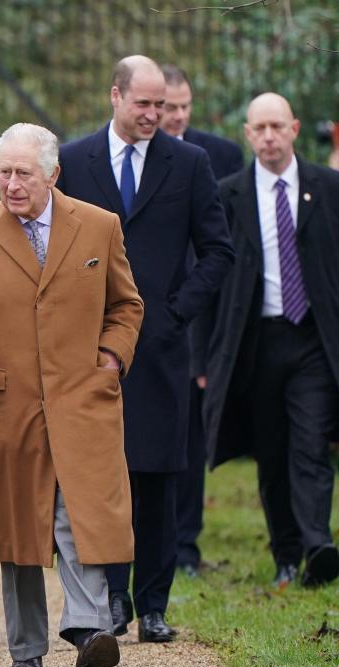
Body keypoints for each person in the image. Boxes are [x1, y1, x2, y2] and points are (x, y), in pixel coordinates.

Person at [0, 122, 143, 667]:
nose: (12, 184)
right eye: (4, 172)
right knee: (19, 530)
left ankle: (89, 632)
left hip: (83, 400)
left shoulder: (99, 227)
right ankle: (26, 651)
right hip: (7, 405)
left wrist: (110, 359)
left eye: (24, 172)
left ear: (53, 173)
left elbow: (126, 307)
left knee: (82, 516)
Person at [56, 55, 234, 642]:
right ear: (116, 96)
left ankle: (153, 604)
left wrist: (177, 312)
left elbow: (218, 252)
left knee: (157, 477)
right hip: (90, 350)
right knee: (103, 478)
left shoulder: (189, 163)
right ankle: (111, 599)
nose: (155, 115)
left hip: (159, 349)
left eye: (162, 105)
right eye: (145, 104)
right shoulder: (75, 161)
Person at [202, 93, 339, 589]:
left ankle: (317, 545)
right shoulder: (228, 195)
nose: (268, 137)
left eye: (276, 126)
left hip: (313, 342)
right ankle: (286, 552)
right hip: (255, 343)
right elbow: (210, 276)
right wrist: (205, 357)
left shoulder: (328, 188)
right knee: (273, 451)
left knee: (310, 443)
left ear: (295, 129)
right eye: (258, 128)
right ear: (246, 133)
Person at [160, 63, 245, 578]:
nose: (176, 116)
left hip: (206, 312)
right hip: (153, 309)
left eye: (184, 106)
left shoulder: (221, 156)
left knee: (192, 435)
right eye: (168, 106)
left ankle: (186, 546)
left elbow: (227, 247)